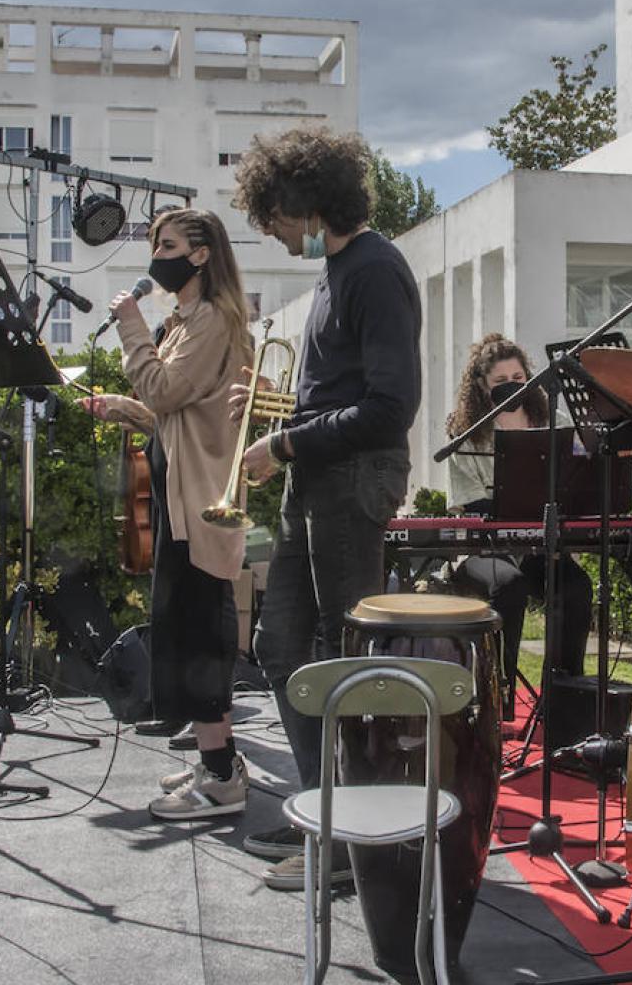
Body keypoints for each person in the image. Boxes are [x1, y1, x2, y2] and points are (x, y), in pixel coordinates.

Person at [227, 124, 421, 890]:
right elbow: (339, 393)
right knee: (281, 648)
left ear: (308, 204)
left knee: (344, 664)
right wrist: (280, 418)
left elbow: (390, 407)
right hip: (318, 477)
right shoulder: (339, 271)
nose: (275, 233)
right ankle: (320, 812)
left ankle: (347, 842)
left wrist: (283, 443)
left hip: (352, 480)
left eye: (276, 217)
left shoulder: (375, 269)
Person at [78, 208, 251, 821]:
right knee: (186, 631)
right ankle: (215, 759)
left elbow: (165, 390)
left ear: (201, 255)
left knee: (200, 635)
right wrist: (125, 408)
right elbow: (172, 414)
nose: (158, 257)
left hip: (199, 505)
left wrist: (131, 325)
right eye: (155, 244)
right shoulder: (186, 322)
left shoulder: (211, 320)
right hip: (181, 498)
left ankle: (222, 778)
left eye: (169, 245)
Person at [444, 333, 594, 697]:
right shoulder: (468, 434)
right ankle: (499, 695)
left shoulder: (555, 421)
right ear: (482, 386)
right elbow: (471, 504)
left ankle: (563, 694)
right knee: (509, 587)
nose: (512, 386)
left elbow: (579, 480)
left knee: (575, 587)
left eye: (518, 378)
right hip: (485, 549)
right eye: (500, 381)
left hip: (539, 547)